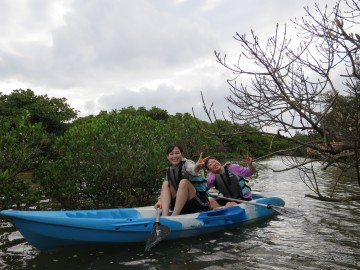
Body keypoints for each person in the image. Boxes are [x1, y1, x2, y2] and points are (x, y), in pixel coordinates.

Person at [154, 144, 210, 216]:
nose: (174, 156)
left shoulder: (188, 163)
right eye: (171, 154)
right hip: (182, 205)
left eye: (177, 153)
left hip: (198, 203)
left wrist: (197, 166)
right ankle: (165, 216)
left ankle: (174, 216)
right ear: (167, 157)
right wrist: (160, 200)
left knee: (184, 182)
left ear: (182, 154)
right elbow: (165, 190)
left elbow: (193, 169)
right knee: (165, 183)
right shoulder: (170, 169)